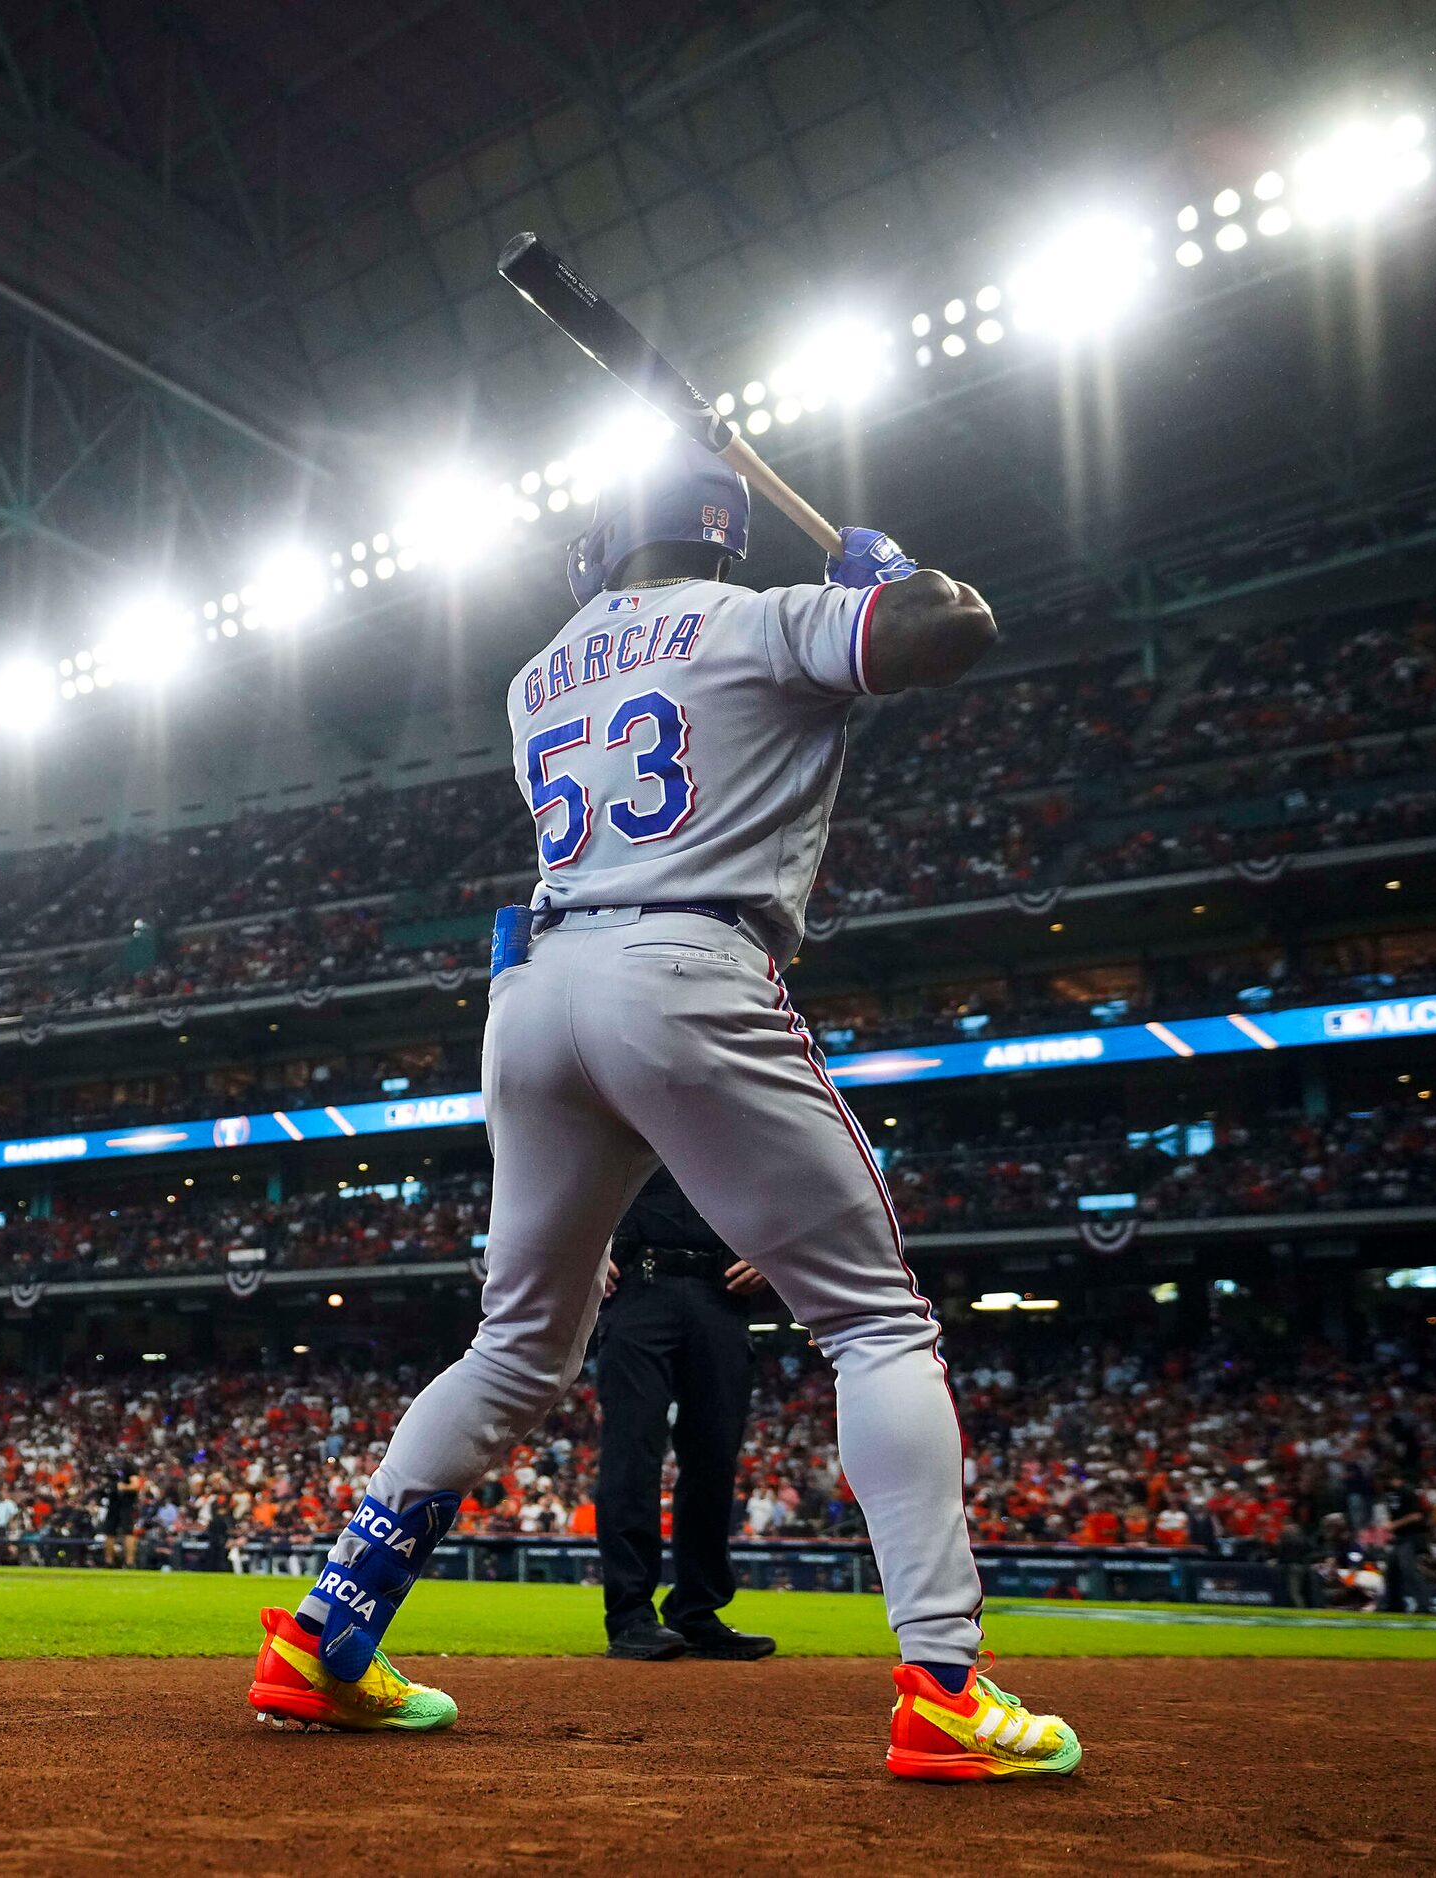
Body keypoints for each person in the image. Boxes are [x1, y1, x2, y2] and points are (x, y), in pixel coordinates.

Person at [245, 435, 1083, 1781]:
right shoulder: (756, 618)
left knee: (514, 1348)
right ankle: (944, 1683)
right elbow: (954, 630)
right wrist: (892, 577)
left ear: (602, 538)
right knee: (875, 1322)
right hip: (687, 968)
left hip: (536, 996)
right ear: (720, 531)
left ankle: (331, 1632)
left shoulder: (534, 676)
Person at [593, 1166, 777, 1662]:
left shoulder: (739, 1121)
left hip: (722, 1294)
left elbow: (785, 1183)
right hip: (638, 1284)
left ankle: (696, 1610)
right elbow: (568, 1167)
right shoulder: (622, 1104)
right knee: (633, 1452)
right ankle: (630, 1614)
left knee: (715, 1457)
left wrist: (774, 1253)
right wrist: (582, 1246)